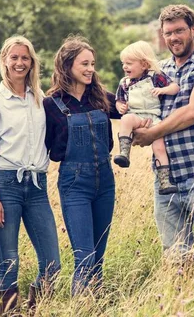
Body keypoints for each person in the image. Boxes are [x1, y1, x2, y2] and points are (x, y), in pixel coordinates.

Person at [132, 4, 194, 257]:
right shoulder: (158, 72)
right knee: (176, 256)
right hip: (166, 179)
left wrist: (152, 135)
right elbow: (143, 108)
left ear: (193, 30)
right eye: (168, 33)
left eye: (179, 31)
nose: (173, 38)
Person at [0, 36, 61, 315]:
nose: (20, 63)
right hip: (5, 185)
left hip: (37, 185)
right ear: (4, 61)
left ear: (32, 62)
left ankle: (35, 311)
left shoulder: (41, 100)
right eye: (14, 57)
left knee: (52, 263)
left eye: (25, 58)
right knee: (9, 262)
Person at [43, 35, 121, 296]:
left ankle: (95, 306)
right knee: (85, 259)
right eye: (84, 64)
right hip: (74, 183)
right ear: (67, 67)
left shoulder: (100, 96)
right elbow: (39, 142)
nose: (90, 69)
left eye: (92, 64)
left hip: (105, 180)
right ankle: (81, 307)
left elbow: (133, 107)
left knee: (98, 257)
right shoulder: (50, 104)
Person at [113, 41, 180, 195]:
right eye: (123, 63)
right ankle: (124, 153)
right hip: (136, 115)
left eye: (129, 63)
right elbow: (119, 100)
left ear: (144, 64)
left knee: (159, 148)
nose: (124, 67)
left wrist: (163, 90)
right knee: (125, 119)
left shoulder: (155, 76)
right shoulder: (124, 83)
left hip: (155, 118)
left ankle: (165, 181)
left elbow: (175, 87)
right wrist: (120, 107)